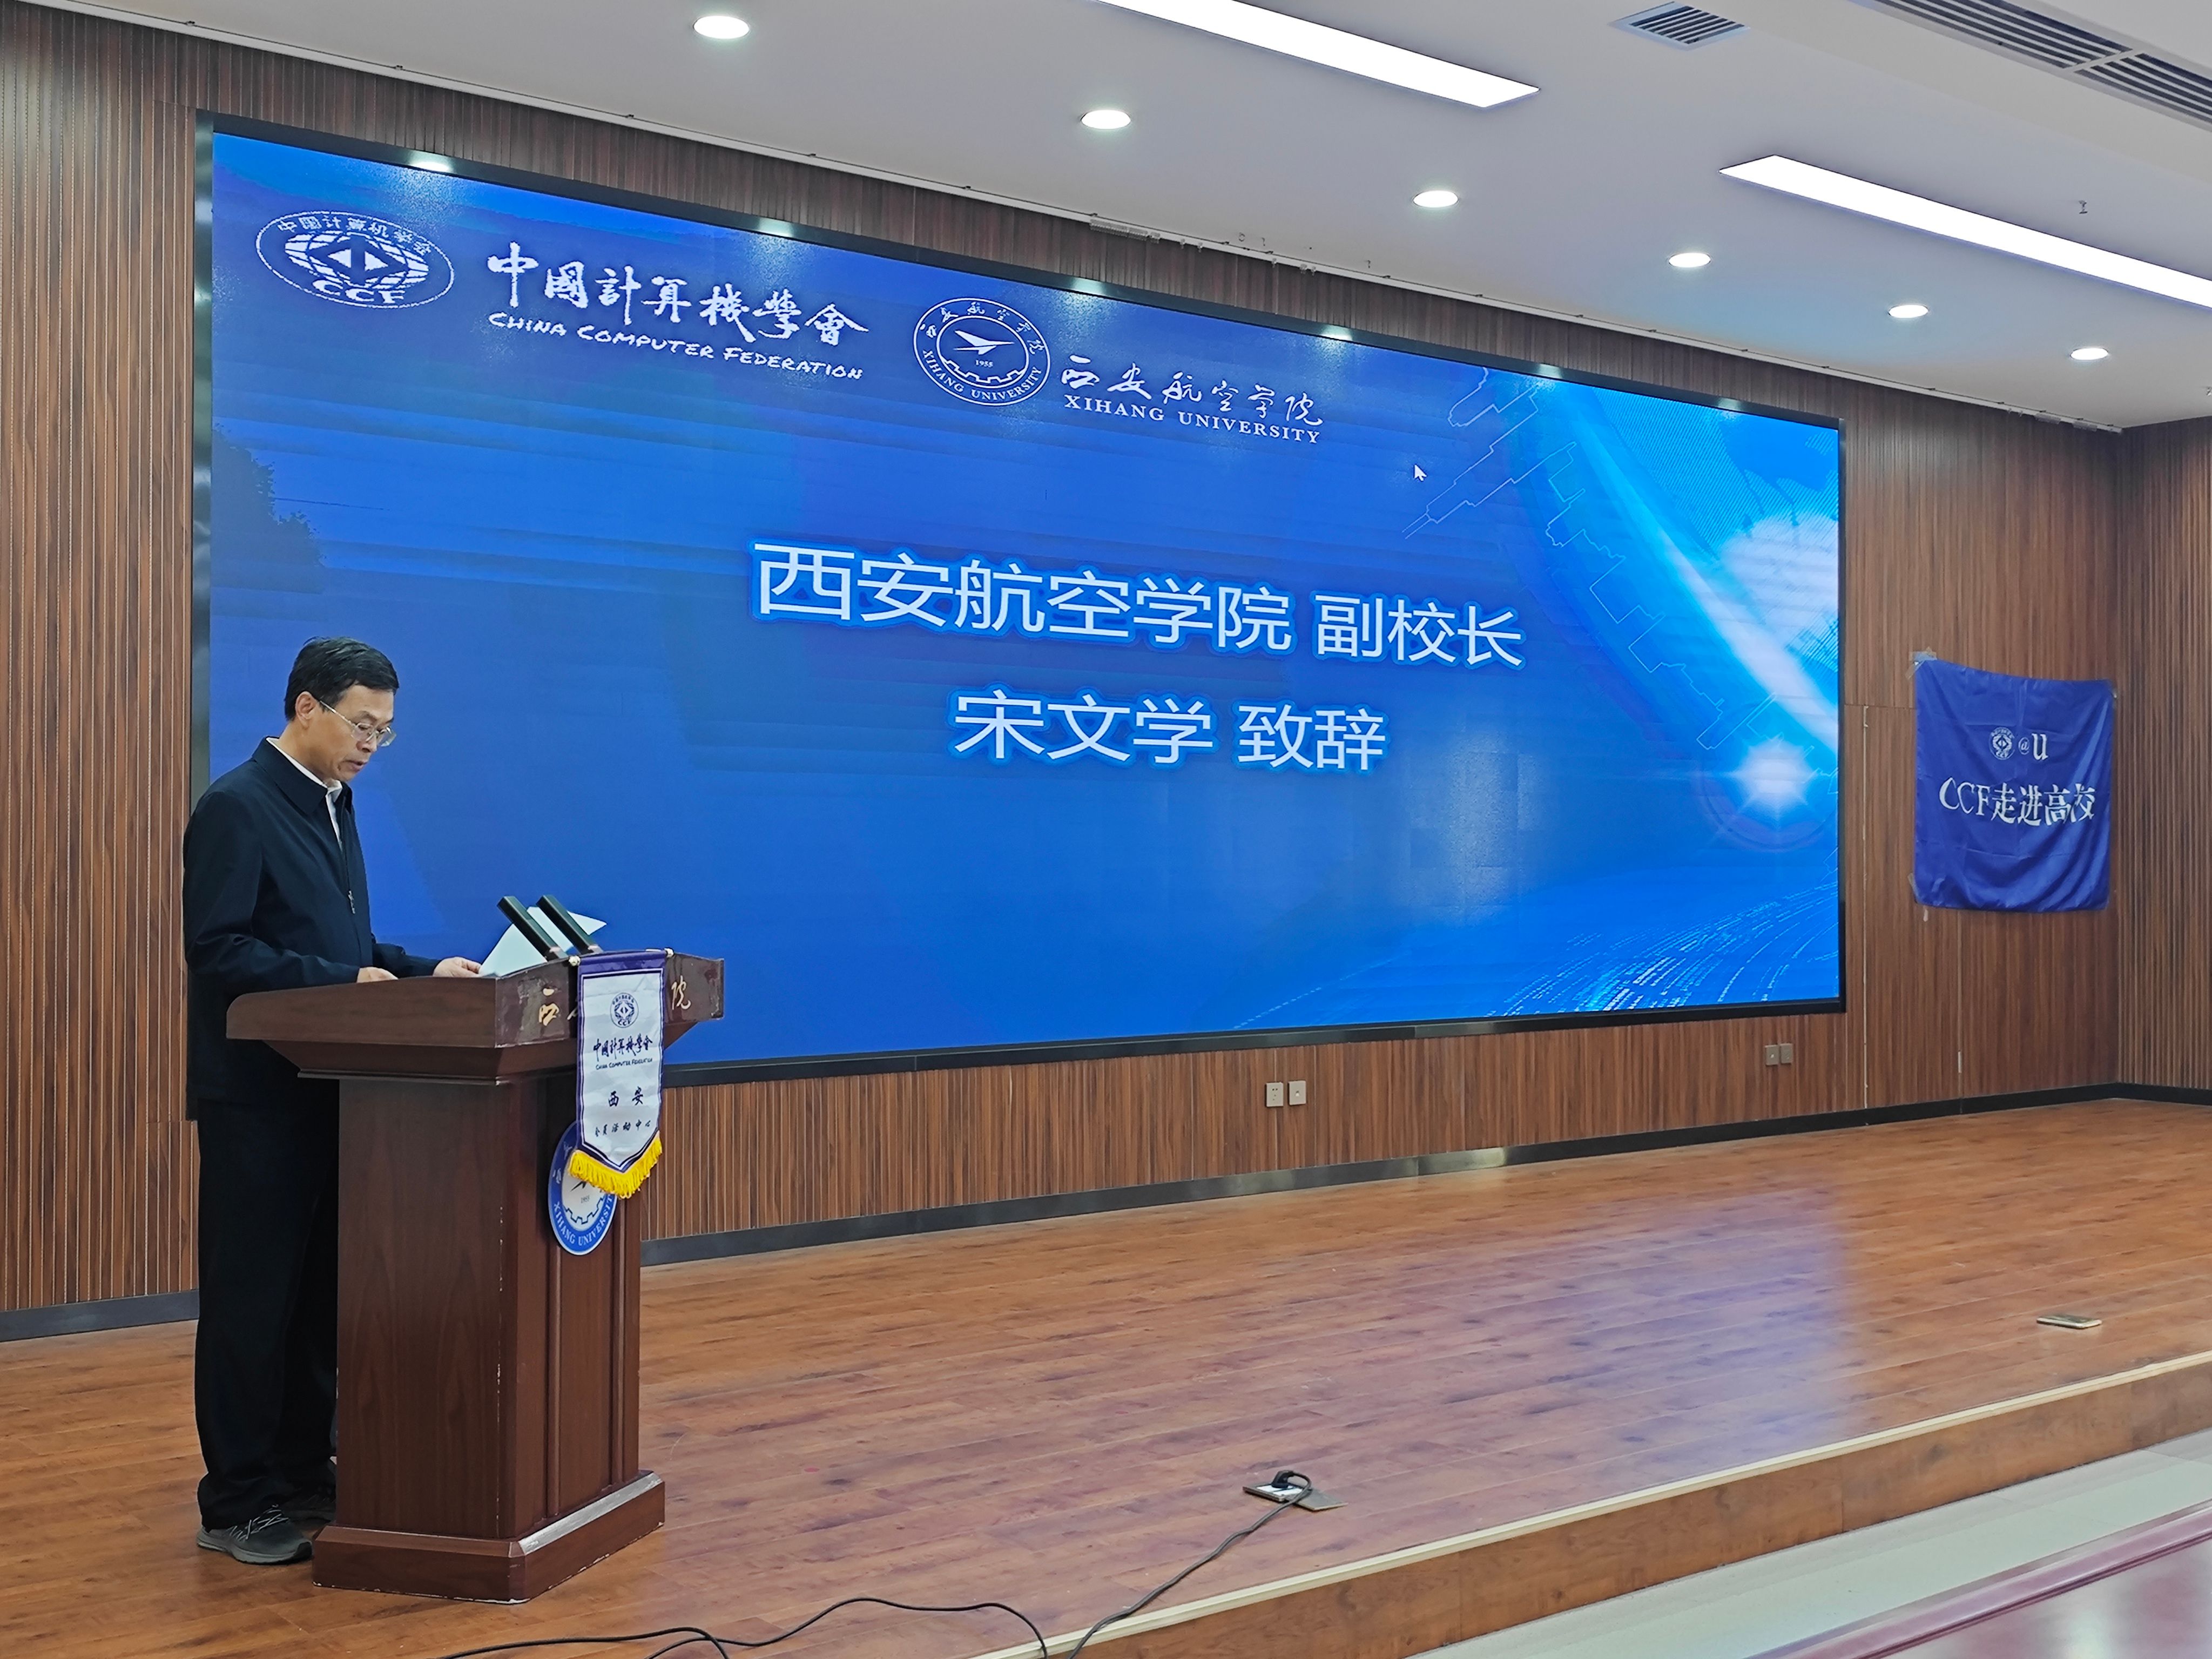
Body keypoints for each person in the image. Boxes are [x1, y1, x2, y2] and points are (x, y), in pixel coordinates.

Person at [181, 637, 480, 1566]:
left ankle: (304, 1471)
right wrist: (343, 980)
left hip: (333, 1089)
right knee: (253, 1302)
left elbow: (344, 943)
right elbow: (220, 949)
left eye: (385, 732)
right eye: (362, 725)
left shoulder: (333, 805)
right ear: (306, 707)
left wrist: (422, 970)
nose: (371, 746)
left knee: (320, 1298)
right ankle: (237, 1502)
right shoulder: (237, 805)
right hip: (258, 1098)